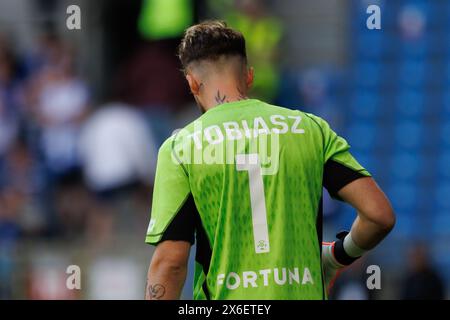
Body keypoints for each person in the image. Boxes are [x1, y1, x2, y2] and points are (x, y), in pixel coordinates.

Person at [144, 21, 395, 300]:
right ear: (249, 77)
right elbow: (379, 216)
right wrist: (336, 256)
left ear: (191, 83)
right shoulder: (310, 129)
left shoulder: (182, 147)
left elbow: (170, 262)